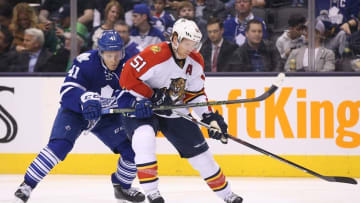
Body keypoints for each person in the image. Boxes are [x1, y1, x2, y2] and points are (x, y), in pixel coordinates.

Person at [119, 18, 243, 203]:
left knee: (201, 154)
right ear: (175, 39)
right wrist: (151, 95)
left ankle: (227, 194)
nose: (190, 48)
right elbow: (126, 78)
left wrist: (209, 118)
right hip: (142, 104)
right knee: (144, 138)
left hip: (173, 108)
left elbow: (195, 94)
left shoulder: (195, 60)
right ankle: (152, 192)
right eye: (187, 43)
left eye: (194, 44)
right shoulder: (155, 54)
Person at [13, 30, 145, 203]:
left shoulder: (129, 64)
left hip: (107, 117)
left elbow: (139, 92)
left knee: (132, 152)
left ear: (123, 51)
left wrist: (142, 103)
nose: (114, 60)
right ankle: (26, 186)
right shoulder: (86, 62)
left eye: (117, 54)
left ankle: (122, 187)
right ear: (100, 52)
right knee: (59, 147)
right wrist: (84, 100)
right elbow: (67, 91)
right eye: (109, 55)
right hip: (76, 112)